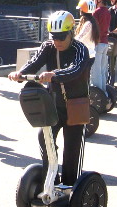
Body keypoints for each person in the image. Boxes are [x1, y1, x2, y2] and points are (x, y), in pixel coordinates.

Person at [8, 11, 90, 185]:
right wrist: (20, 73)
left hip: (76, 105)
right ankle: (51, 178)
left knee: (72, 149)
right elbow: (34, 63)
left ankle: (69, 186)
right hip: (54, 103)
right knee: (44, 138)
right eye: (54, 37)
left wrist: (54, 74)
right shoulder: (48, 47)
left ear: (71, 33)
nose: (57, 42)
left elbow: (75, 69)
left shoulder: (80, 49)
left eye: (61, 37)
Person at [90, 0, 111, 91]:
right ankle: (104, 94)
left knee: (96, 72)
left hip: (97, 44)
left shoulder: (96, 12)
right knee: (102, 72)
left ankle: (98, 95)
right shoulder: (107, 11)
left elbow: (92, 29)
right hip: (105, 43)